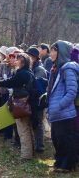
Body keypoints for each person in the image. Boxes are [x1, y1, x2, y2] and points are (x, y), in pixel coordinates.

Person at [0, 53, 36, 160]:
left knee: (23, 129)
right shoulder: (28, 72)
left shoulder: (22, 73)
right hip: (25, 102)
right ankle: (31, 152)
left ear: (22, 61)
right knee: (26, 128)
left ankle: (26, 155)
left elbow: (11, 82)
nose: (15, 61)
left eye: (17, 59)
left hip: (21, 103)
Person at [47, 40, 79, 172]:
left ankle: (68, 165)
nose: (51, 53)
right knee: (56, 138)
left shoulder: (68, 68)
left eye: (54, 50)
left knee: (65, 139)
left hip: (64, 112)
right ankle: (59, 161)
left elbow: (72, 92)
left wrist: (59, 105)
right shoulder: (56, 68)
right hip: (56, 111)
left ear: (61, 52)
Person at [25, 47, 48, 153]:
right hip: (31, 100)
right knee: (32, 122)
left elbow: (38, 88)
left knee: (38, 123)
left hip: (38, 102)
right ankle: (34, 144)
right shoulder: (31, 67)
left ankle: (40, 146)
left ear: (34, 58)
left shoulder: (40, 70)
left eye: (29, 56)